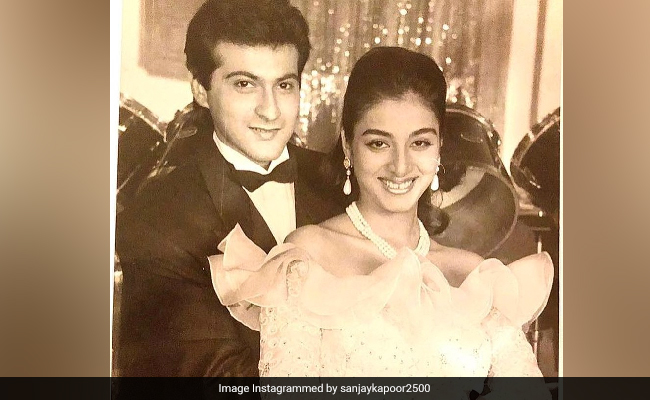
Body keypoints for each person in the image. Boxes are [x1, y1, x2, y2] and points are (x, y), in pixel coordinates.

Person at [209, 47, 553, 396]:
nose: (400, 166)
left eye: (420, 142)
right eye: (379, 144)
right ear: (348, 146)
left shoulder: (474, 274)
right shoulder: (306, 256)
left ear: (439, 147)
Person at [115, 0, 343, 377]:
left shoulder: (337, 181)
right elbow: (213, 380)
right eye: (244, 84)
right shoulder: (158, 219)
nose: (270, 110)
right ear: (201, 90)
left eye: (284, 85)